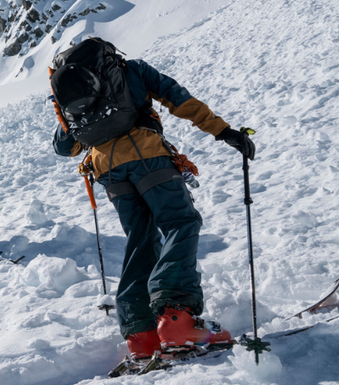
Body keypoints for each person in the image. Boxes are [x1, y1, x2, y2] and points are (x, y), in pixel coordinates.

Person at [49, 37, 255, 360]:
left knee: (140, 240)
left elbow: (64, 146)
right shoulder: (129, 71)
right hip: (147, 156)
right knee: (181, 222)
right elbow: (177, 98)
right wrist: (223, 131)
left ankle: (141, 334)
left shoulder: (73, 94)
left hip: (107, 171)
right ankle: (177, 318)